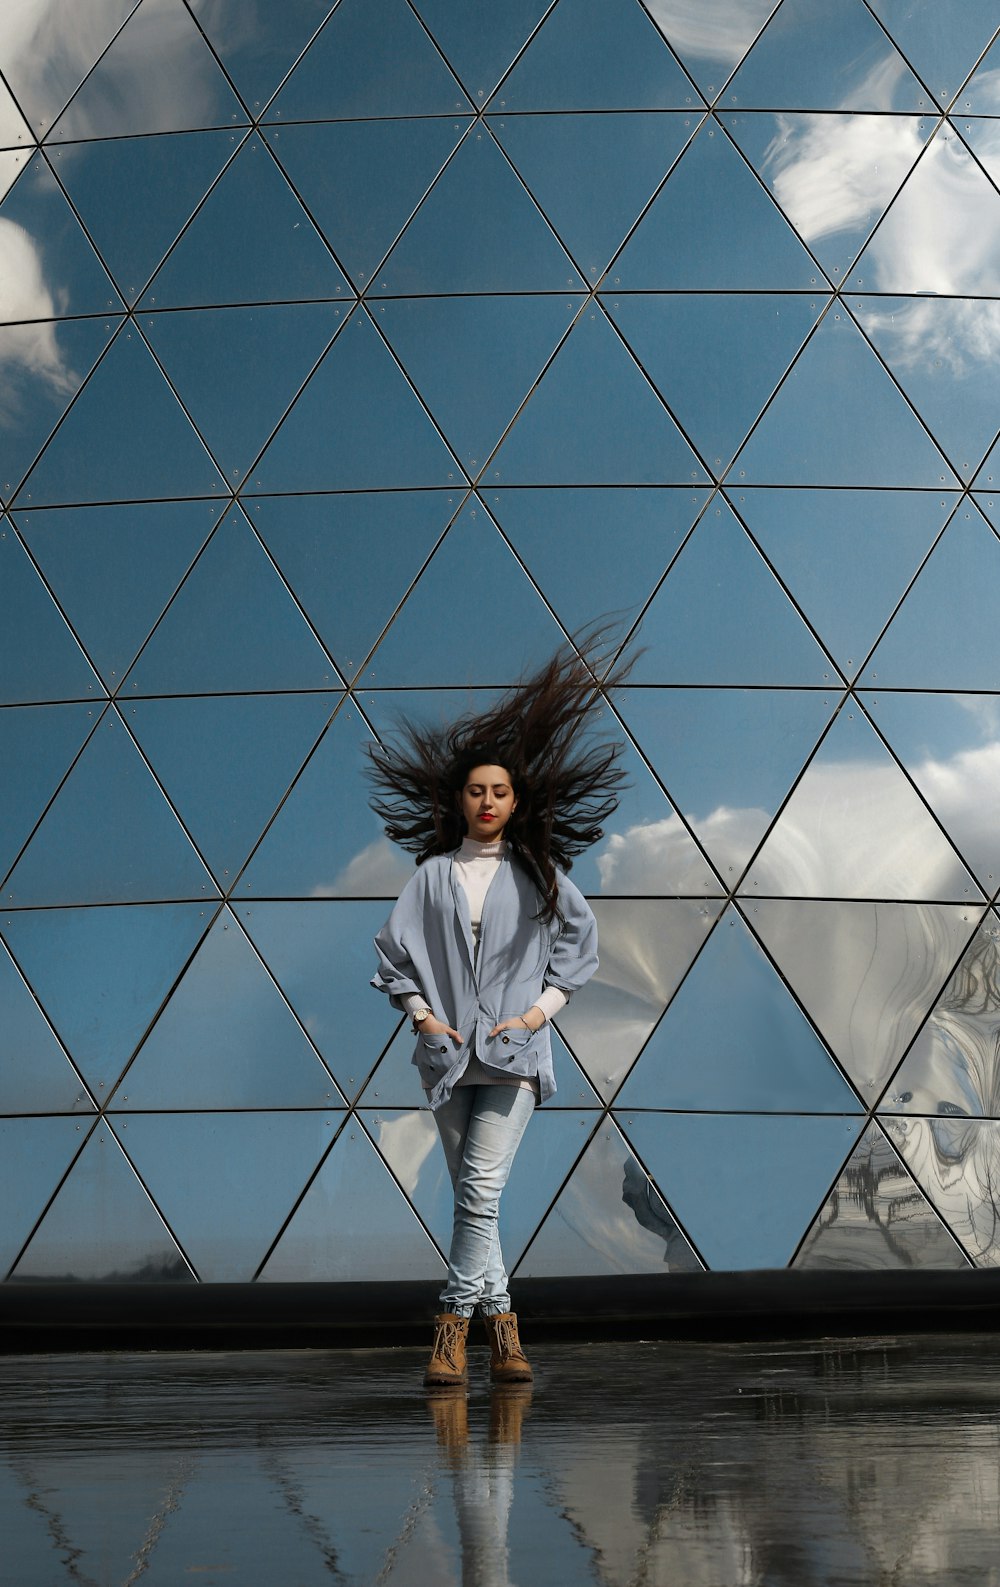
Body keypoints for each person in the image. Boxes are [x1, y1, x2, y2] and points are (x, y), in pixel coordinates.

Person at [368, 631, 633, 1388]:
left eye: (500, 791)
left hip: (513, 1057)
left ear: (517, 803)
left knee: (479, 1193)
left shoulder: (538, 875)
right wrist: (421, 1012)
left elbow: (580, 949)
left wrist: (536, 1014)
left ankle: (450, 1332)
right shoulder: (431, 877)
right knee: (474, 1206)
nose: (488, 801)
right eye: (477, 790)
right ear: (460, 800)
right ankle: (508, 1336)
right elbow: (392, 955)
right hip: (449, 1058)